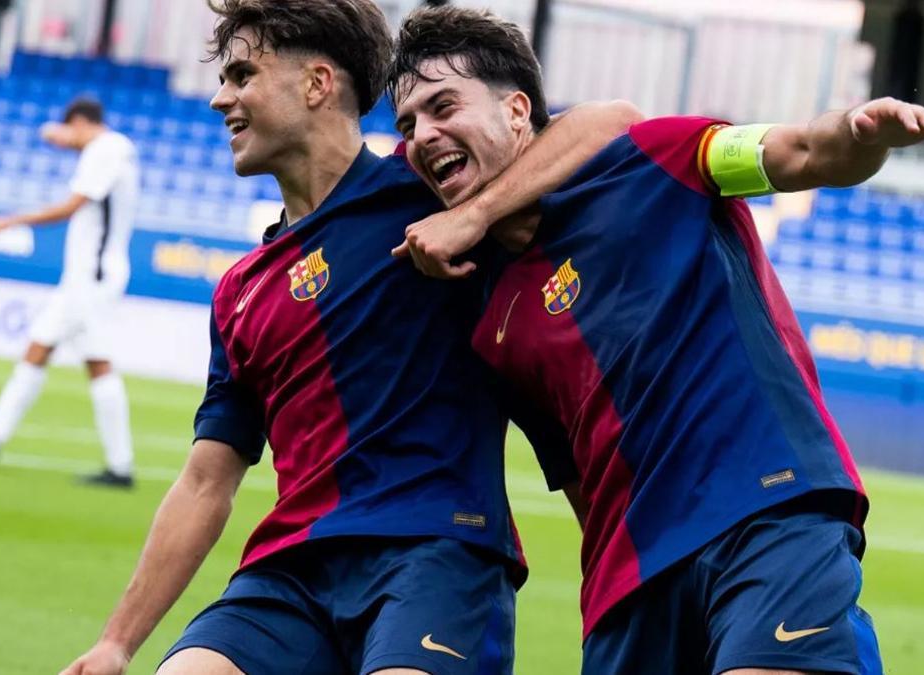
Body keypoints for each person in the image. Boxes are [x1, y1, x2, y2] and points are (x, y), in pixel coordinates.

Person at [58, 2, 638, 674]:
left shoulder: (432, 189)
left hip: (437, 557)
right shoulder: (241, 290)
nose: (221, 99)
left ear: (317, 84)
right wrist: (117, 642)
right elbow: (205, 481)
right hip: (290, 572)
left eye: (243, 75)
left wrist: (473, 216)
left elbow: (612, 124)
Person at [389, 6, 924, 675]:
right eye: (408, 125)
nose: (423, 136)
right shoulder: (490, 314)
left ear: (518, 111)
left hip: (767, 504)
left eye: (443, 106)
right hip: (631, 581)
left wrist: (860, 134)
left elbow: (804, 150)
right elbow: (576, 478)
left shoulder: (657, 157)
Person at [0, 98, 139, 489]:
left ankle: (121, 466)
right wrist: (66, 140)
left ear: (80, 122)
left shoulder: (106, 149)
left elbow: (71, 207)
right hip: (81, 278)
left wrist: (14, 219)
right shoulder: (113, 150)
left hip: (93, 276)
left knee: (97, 361)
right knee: (38, 349)